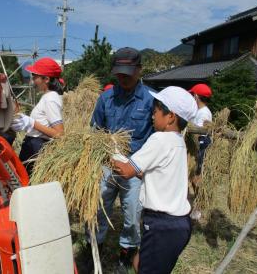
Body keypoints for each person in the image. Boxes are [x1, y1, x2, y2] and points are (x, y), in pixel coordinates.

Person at [112, 86, 198, 274]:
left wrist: (107, 154)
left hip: (163, 226)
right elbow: (154, 173)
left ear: (171, 117)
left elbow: (126, 172)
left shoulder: (159, 139)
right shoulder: (178, 142)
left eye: (156, 111)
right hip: (179, 225)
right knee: (141, 263)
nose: (152, 115)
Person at [86, 47, 154, 273]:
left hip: (135, 168)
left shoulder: (151, 100)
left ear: (139, 70)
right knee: (97, 208)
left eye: (128, 72)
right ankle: (94, 247)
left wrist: (146, 166)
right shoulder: (105, 98)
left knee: (133, 213)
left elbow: (157, 138)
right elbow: (95, 131)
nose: (123, 77)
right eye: (120, 73)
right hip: (107, 165)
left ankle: (127, 251)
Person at [11, 57, 64, 176]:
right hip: (33, 146)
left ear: (46, 79)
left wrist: (32, 123)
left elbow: (59, 134)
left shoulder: (51, 98)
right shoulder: (47, 97)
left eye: (35, 76)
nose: (33, 79)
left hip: (37, 148)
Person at [189, 83, 213, 175]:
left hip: (200, 146)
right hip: (198, 145)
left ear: (196, 96)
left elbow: (198, 133)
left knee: (196, 173)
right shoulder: (198, 110)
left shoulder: (204, 113)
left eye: (192, 95)